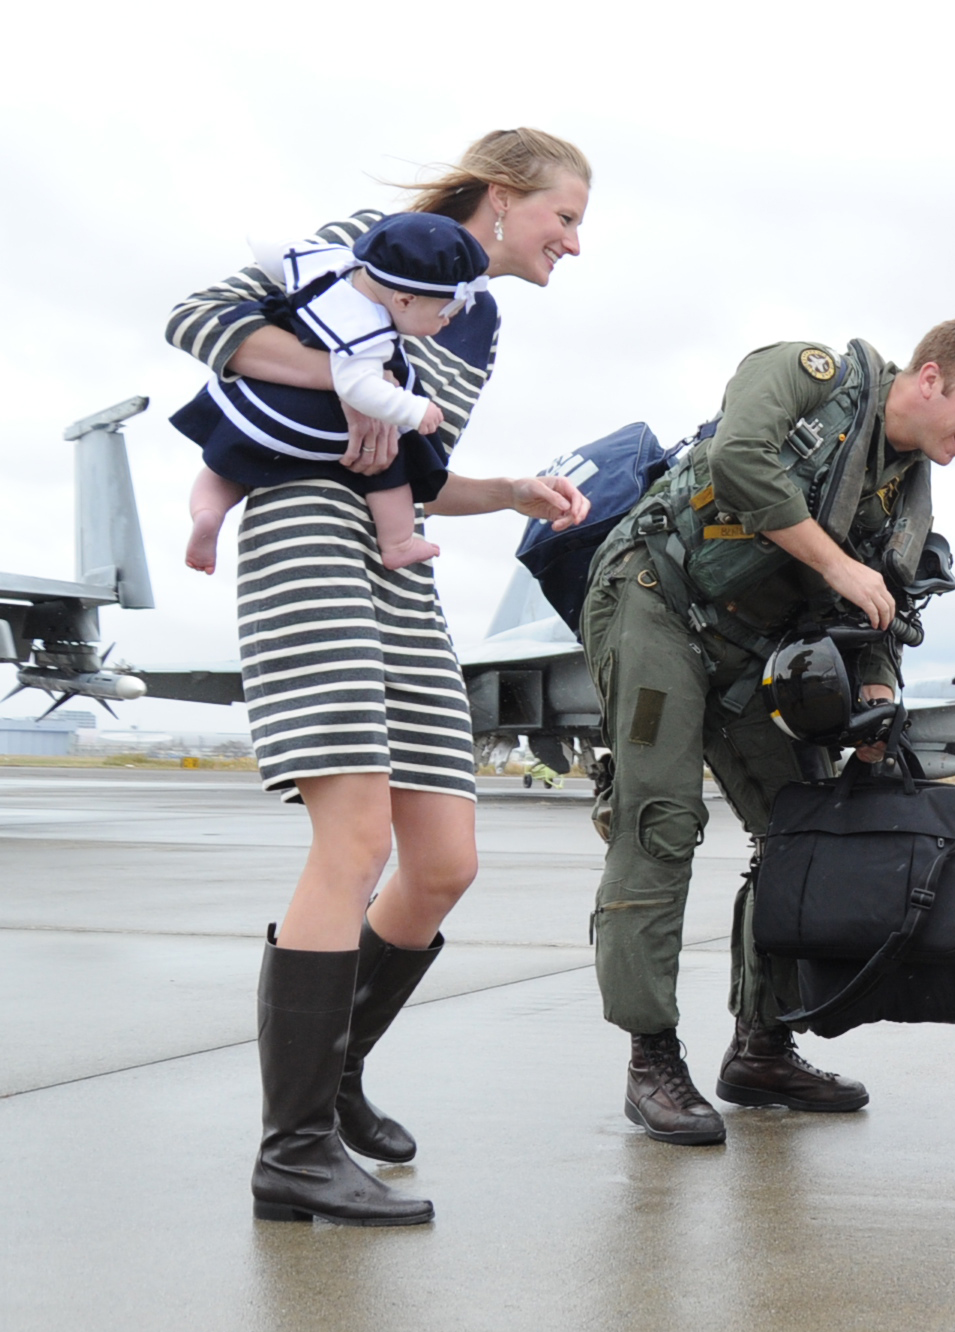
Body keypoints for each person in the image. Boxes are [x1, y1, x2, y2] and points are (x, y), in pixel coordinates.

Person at [163, 128, 594, 1226]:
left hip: (397, 565)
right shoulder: (372, 245)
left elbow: (408, 466)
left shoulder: (477, 323)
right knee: (352, 840)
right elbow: (198, 319)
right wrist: (348, 379)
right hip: (305, 531)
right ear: (503, 199)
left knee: (444, 859)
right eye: (565, 219)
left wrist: (505, 491)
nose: (575, 244)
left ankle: (335, 1069)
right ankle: (292, 1149)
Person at [580, 318, 955, 1146]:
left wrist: (878, 699)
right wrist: (835, 564)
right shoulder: (810, 376)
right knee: (661, 821)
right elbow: (741, 460)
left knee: (804, 826)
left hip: (752, 648)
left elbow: (882, 602)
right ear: (929, 379)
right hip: (656, 600)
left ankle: (762, 1045)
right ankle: (652, 1060)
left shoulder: (903, 488)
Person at [175, 213, 491, 574]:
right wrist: (412, 409)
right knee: (392, 458)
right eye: (449, 310)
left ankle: (208, 514)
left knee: (226, 463)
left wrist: (256, 230)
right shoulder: (365, 334)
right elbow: (358, 387)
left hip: (260, 396)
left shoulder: (331, 263)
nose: (450, 320)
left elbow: (275, 249)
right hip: (312, 414)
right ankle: (398, 542)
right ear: (403, 300)